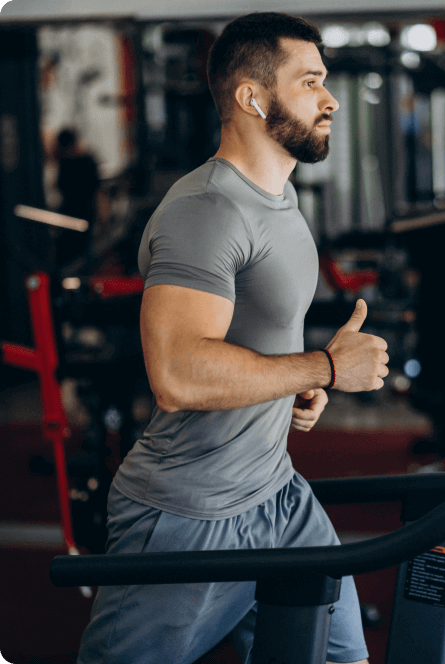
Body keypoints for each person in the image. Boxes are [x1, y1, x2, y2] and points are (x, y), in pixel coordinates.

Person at [77, 12, 389, 664]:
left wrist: (300, 384)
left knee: (342, 659)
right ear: (252, 97)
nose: (329, 98)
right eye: (309, 82)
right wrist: (324, 369)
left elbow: (256, 343)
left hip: (276, 495)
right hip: (188, 514)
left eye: (324, 80)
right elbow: (180, 373)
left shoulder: (279, 201)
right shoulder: (206, 211)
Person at [54, 127, 100, 274]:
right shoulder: (87, 160)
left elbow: (61, 187)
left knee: (71, 254)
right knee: (84, 252)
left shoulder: (64, 163)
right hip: (86, 212)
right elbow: (96, 188)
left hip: (71, 213)